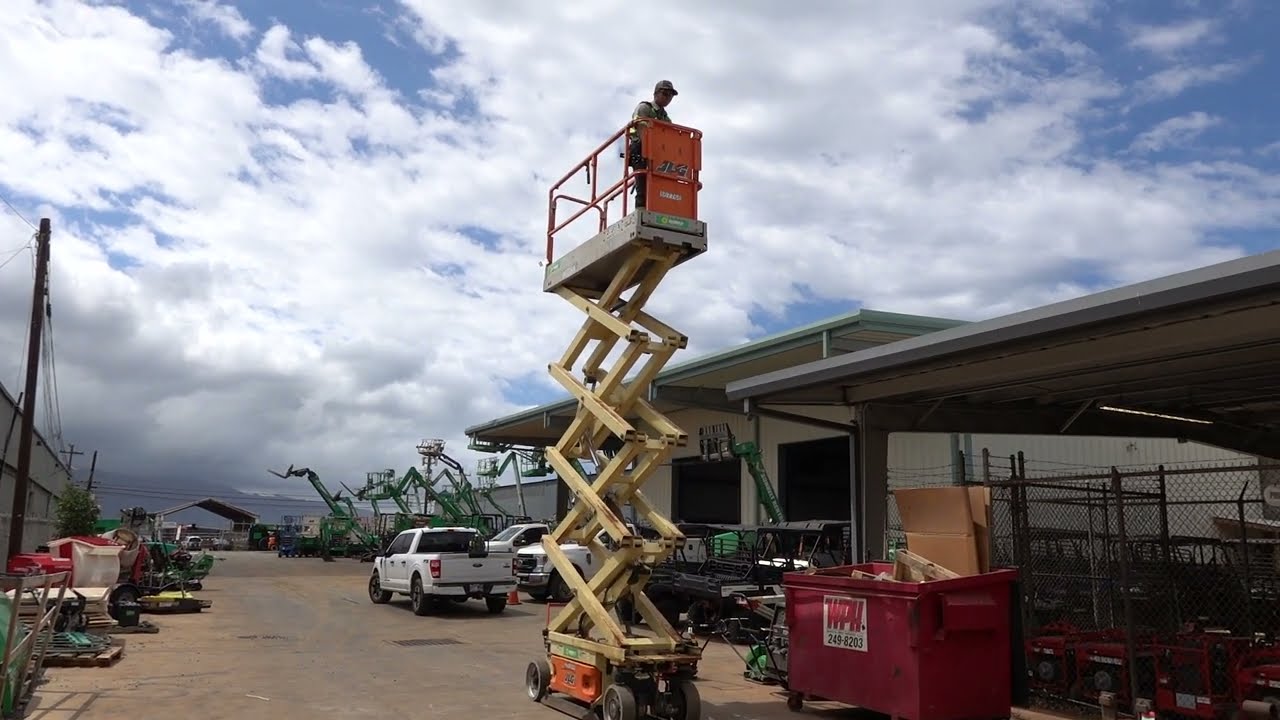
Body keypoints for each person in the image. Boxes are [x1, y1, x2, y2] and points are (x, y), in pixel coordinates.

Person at [627, 80, 677, 208]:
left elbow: (671, 135)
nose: (667, 98)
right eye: (665, 93)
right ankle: (641, 211)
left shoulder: (665, 117)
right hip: (640, 150)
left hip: (657, 154)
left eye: (670, 96)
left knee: (659, 186)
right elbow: (641, 130)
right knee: (642, 186)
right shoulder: (645, 108)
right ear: (656, 94)